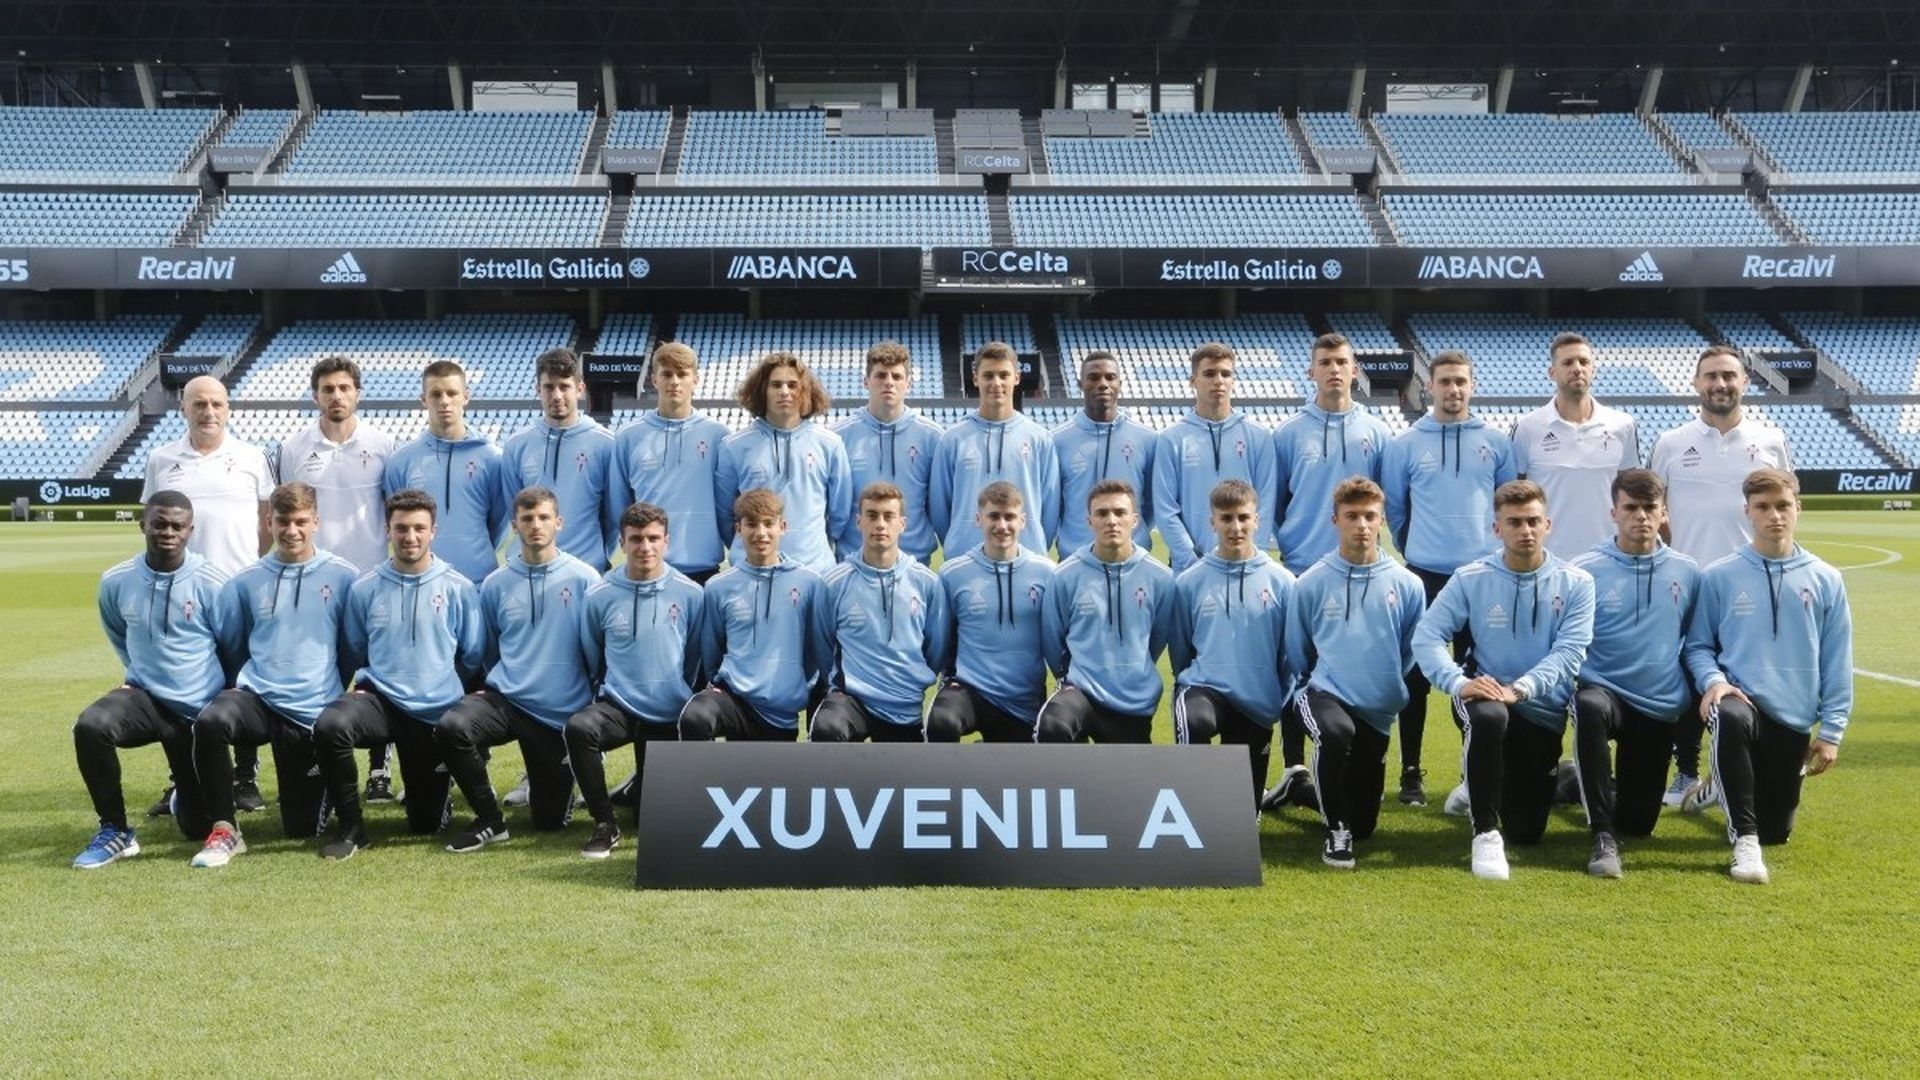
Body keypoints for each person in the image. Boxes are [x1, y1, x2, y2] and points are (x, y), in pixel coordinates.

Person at [1414, 480, 1595, 881]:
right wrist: (1457, 682)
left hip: (1540, 709)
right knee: (1490, 718)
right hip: (1485, 697)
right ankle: (1485, 833)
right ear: (1497, 529)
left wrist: (1522, 689)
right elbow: (1426, 637)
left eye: (1533, 521)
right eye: (1514, 522)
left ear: (1548, 524)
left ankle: (1484, 781)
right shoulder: (1469, 578)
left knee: (1528, 832)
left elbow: (1570, 654)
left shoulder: (1577, 583)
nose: (1525, 531)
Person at [1683, 468, 1852, 885]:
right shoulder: (1719, 575)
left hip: (1793, 716)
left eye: (1782, 506)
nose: (1774, 515)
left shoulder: (1826, 579)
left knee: (1778, 831)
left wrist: (1831, 731)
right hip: (1742, 703)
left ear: (1799, 508)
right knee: (1730, 714)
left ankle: (1714, 787)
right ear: (1747, 512)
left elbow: (1837, 659)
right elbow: (1698, 646)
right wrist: (1714, 682)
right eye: (1763, 507)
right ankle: (1744, 842)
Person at [1649, 344, 1793, 810]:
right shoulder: (1671, 442)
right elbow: (1658, 510)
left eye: (1729, 376)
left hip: (1749, 582)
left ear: (1744, 383)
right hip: (1688, 582)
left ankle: (1731, 770)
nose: (1720, 384)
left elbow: (1784, 503)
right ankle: (1686, 771)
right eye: (1711, 376)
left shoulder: (1770, 440)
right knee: (1686, 677)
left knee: (1746, 673)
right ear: (1696, 384)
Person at [188, 482, 361, 868]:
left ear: (316, 521)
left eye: (301, 521)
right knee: (211, 721)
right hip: (258, 698)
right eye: (283, 521)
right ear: (270, 521)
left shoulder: (344, 576)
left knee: (301, 829)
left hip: (312, 709)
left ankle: (320, 786)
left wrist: (328, 689)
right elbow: (234, 645)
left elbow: (350, 648)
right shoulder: (247, 580)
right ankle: (224, 828)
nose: (291, 530)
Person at [311, 490, 487, 861]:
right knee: (331, 724)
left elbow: (471, 656)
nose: (410, 537)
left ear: (433, 531)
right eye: (402, 528)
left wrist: (438, 683)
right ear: (387, 530)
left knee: (424, 823)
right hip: (381, 703)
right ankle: (352, 827)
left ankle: (438, 791)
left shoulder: (458, 588)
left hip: (434, 711)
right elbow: (356, 649)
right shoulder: (365, 588)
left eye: (419, 528)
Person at [72, 492, 241, 869]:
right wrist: (138, 676)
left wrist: (219, 702)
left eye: (177, 526)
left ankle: (187, 797)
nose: (168, 532)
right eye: (159, 523)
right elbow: (119, 634)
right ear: (142, 525)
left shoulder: (212, 581)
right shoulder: (116, 581)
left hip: (199, 712)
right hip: (145, 700)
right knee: (90, 726)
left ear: (190, 530)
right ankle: (115, 830)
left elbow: (232, 646)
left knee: (196, 827)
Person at [1380, 350, 1517, 806]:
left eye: (1461, 382)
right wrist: (1415, 548)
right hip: (1425, 576)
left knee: (1479, 675)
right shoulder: (1406, 444)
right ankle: (1411, 772)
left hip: (1482, 577)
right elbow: (1395, 509)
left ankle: (1470, 768)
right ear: (1430, 387)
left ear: (1471, 386)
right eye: (1445, 382)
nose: (1453, 390)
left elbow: (1506, 508)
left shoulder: (1496, 442)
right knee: (1416, 676)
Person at [435, 487, 598, 853]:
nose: (535, 525)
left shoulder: (585, 579)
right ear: (514, 525)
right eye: (527, 518)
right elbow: (489, 649)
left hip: (557, 715)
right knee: (453, 726)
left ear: (559, 522)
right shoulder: (495, 584)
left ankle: (562, 779)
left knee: (549, 822)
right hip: (508, 702)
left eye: (543, 517)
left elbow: (594, 652)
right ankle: (489, 819)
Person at [139, 374, 273, 815]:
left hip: (238, 590)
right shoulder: (162, 459)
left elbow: (266, 521)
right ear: (184, 408)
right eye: (199, 404)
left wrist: (250, 566)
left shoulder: (252, 457)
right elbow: (155, 522)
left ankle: (245, 777)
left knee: (240, 683)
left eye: (217, 403)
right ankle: (181, 779)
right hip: (182, 595)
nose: (209, 412)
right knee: (180, 683)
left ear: (228, 408)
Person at [276, 355, 401, 805]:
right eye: (328, 389)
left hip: (370, 578)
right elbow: (289, 513)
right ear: (315, 396)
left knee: (375, 671)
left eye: (344, 388)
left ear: (358, 394)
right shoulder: (294, 448)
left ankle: (380, 767)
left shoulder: (385, 445)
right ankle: (320, 757)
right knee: (323, 666)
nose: (336, 396)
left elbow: (395, 513)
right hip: (315, 578)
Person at [1283, 478, 1425, 868]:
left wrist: (1383, 681)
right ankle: (1335, 833)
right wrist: (1320, 681)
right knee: (1335, 733)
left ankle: (1299, 790)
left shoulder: (1408, 585)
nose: (1361, 525)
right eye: (1352, 516)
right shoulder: (1310, 583)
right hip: (1325, 694)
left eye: (1369, 516)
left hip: (1378, 709)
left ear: (1381, 520)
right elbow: (1298, 650)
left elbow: (1410, 650)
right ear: (1335, 520)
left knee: (1366, 823)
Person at [1567, 469, 1700, 879]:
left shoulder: (1689, 572)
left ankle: (1572, 781)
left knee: (1639, 824)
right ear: (1614, 512)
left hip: (1657, 704)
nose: (1640, 517)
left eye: (1649, 508)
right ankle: (1601, 835)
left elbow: (1695, 644)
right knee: (1588, 707)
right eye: (1631, 508)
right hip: (1603, 693)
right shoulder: (1584, 570)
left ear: (1664, 513)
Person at [567, 501, 709, 859]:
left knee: (651, 818)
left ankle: (635, 790)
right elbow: (592, 652)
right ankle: (604, 823)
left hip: (667, 714)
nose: (645, 547)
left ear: (667, 542)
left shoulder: (691, 593)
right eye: (636, 539)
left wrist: (674, 691)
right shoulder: (599, 594)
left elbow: (695, 655)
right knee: (579, 728)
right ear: (622, 542)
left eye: (653, 538)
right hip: (619, 707)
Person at [1168, 480, 1296, 805]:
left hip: (1257, 702)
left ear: (1257, 520)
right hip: (1206, 690)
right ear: (1213, 522)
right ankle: (1191, 808)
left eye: (1242, 517)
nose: (1235, 527)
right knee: (1193, 720)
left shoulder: (1283, 583)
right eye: (1226, 518)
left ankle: (1269, 793)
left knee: (1244, 817)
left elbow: (1290, 654)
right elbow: (1180, 650)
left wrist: (1273, 691)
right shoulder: (1189, 582)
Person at [679, 489, 829, 742]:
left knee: (770, 779)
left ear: (783, 527)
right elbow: (712, 651)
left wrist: (794, 681)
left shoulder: (810, 583)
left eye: (769, 524)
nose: (761, 533)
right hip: (734, 700)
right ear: (738, 528)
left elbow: (818, 651)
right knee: (697, 716)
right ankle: (698, 781)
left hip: (781, 710)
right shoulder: (718, 587)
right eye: (751, 524)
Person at [1037, 480, 1175, 744]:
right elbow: (1053, 640)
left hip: (1134, 700)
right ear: (1090, 521)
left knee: (1128, 784)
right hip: (1080, 692)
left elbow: (1157, 638)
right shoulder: (1065, 576)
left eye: (1120, 513)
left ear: (1135, 520)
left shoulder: (1161, 578)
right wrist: (1069, 677)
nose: (1112, 520)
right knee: (1053, 726)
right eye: (1102, 513)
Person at [811, 482, 950, 742]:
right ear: (859, 522)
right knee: (827, 728)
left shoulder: (926, 583)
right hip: (851, 699)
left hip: (904, 703)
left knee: (905, 778)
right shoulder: (834, 582)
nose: (880, 524)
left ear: (903, 524)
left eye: (889, 516)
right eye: (872, 516)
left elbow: (936, 648)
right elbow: (822, 644)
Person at [928, 482, 1056, 743]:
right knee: (942, 722)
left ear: (1022, 521)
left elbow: (1057, 637)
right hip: (969, 691)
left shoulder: (1047, 573)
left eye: (1009, 517)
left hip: (1023, 699)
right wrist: (949, 677)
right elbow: (942, 639)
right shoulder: (953, 573)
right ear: (978, 519)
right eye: (993, 516)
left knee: (1017, 776)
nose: (1002, 525)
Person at [715, 353, 851, 573]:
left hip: (814, 570)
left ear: (804, 390)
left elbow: (840, 512)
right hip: (752, 570)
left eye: (792, 385)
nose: (784, 392)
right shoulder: (734, 446)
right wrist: (746, 549)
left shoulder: (830, 444)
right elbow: (724, 512)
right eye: (775, 385)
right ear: (762, 390)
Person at [608, 342, 731, 582]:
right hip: (648, 565)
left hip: (703, 566)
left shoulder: (718, 435)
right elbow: (620, 505)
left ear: (695, 379)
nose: (674, 381)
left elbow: (726, 504)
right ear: (654, 379)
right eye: (667, 374)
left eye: (682, 374)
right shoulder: (629, 437)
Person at [1272, 333, 1393, 576]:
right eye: (1325, 363)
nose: (1334, 369)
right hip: (1302, 565)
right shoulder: (1288, 433)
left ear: (1355, 370)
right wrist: (1291, 544)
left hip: (1361, 564)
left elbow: (1387, 500)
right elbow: (1274, 504)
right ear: (1311, 372)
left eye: (1341, 362)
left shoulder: (1378, 431)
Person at [1510, 332, 1639, 559]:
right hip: (1547, 559)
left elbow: (1631, 493)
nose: (1577, 368)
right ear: (1552, 372)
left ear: (1593, 371)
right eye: (1567, 362)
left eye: (1584, 362)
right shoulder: (1528, 427)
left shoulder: (1623, 425)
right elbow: (1512, 495)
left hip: (1609, 558)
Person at [384, 359, 511, 586]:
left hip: (478, 581)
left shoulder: (491, 458)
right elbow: (396, 521)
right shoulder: (401, 461)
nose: (444, 401)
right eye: (436, 394)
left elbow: (499, 521)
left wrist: (475, 546)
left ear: (466, 396)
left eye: (452, 393)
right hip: (421, 583)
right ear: (424, 400)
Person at [1153, 342, 1276, 574]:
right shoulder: (1171, 439)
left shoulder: (1259, 436)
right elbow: (1165, 508)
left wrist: (1252, 555)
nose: (1218, 380)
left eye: (1225, 373)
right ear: (1193, 381)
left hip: (1246, 565)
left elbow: (1266, 502)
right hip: (1190, 567)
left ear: (1233, 380)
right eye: (1209, 373)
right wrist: (1190, 560)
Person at [930, 341, 1060, 557]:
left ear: (1016, 378)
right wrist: (960, 541)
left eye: (1003, 375)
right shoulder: (953, 439)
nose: (996, 382)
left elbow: (1050, 507)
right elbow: (939, 507)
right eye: (988, 375)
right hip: (965, 559)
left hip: (1027, 559)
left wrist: (1033, 546)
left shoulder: (1039, 439)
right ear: (975, 378)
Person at [499, 347, 619, 569]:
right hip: (529, 568)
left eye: (565, 387)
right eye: (549, 387)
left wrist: (594, 557)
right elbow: (512, 509)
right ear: (538, 390)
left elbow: (613, 516)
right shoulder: (517, 445)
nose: (557, 396)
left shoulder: (606, 444)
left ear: (580, 389)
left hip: (587, 568)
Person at [832, 341, 944, 562]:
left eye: (896, 376)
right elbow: (835, 507)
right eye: (881, 376)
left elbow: (939, 504)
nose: (889, 383)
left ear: (908, 383)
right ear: (866, 381)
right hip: (853, 562)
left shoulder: (932, 436)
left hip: (914, 561)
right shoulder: (839, 437)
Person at [1052, 350, 1155, 555]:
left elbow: (1153, 501)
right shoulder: (1057, 440)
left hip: (1133, 558)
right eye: (1093, 377)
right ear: (1080, 384)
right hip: (1075, 557)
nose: (1103, 383)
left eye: (1110, 377)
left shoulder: (1148, 439)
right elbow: (1054, 504)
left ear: (1120, 383)